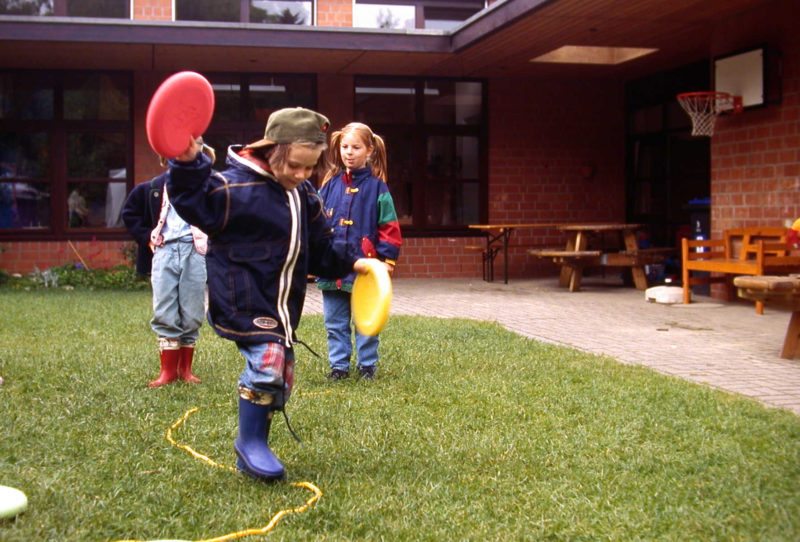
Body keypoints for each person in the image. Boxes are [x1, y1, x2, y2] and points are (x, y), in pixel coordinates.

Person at [166, 107, 371, 481]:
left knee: (282, 378)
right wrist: (186, 164)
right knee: (268, 360)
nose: (302, 175)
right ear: (273, 151)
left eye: (310, 168)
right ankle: (251, 443)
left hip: (281, 307)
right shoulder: (234, 188)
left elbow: (322, 248)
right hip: (243, 299)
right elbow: (192, 198)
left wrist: (354, 262)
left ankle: (257, 439)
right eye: (294, 165)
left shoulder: (303, 194)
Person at [316, 122, 401, 381]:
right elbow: (316, 224)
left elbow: (389, 227)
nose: (349, 152)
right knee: (334, 323)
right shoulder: (328, 186)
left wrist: (386, 261)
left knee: (366, 322)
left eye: (355, 147)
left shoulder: (378, 189)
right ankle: (339, 366)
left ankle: (367, 366)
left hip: (366, 270)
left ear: (370, 150)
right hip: (332, 270)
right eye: (344, 147)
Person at [122, 147, 213, 387]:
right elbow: (129, 213)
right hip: (164, 250)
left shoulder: (206, 190)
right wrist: (147, 236)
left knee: (192, 310)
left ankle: (186, 369)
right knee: (164, 307)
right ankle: (167, 371)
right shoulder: (151, 188)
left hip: (195, 251)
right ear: (167, 160)